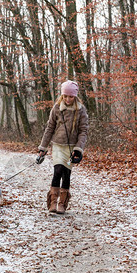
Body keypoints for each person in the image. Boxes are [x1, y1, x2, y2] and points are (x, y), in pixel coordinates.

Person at [38, 80, 89, 214]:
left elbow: (83, 131)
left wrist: (79, 149)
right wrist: (43, 147)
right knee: (58, 171)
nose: (67, 99)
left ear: (75, 96)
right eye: (65, 96)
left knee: (66, 174)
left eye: (70, 96)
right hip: (58, 146)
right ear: (62, 95)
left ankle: (62, 203)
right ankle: (53, 202)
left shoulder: (81, 110)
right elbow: (50, 128)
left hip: (72, 147)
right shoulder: (56, 108)